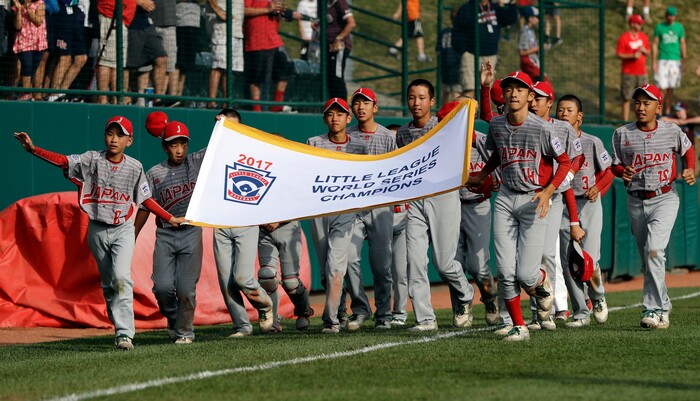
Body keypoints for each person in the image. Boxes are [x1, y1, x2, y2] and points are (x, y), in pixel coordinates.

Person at [14, 116, 186, 350]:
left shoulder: (134, 167)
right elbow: (64, 162)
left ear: (130, 140)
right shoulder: (92, 159)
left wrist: (169, 217)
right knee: (108, 285)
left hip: (123, 228)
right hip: (97, 228)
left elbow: (145, 199)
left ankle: (125, 334)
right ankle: (119, 327)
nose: (114, 139)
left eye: (120, 135)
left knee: (122, 278)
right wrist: (34, 150)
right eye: (110, 133)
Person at [467, 71, 572, 341]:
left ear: (530, 96)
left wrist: (549, 191)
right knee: (505, 270)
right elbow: (496, 155)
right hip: (505, 197)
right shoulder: (497, 125)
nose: (513, 93)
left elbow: (565, 161)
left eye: (520, 89)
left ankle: (541, 284)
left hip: (534, 199)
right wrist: (482, 175)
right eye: (509, 88)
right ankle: (519, 325)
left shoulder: (543, 127)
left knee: (526, 273)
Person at [611, 84, 695, 329]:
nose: (640, 107)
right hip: (636, 199)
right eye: (637, 102)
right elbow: (614, 165)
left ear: (658, 107)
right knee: (647, 257)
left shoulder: (671, 130)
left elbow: (688, 149)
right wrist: (621, 171)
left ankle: (654, 308)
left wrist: (689, 168)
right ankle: (663, 304)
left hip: (665, 197)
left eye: (647, 103)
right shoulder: (621, 134)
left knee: (654, 250)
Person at [395, 79, 475, 332]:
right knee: (414, 261)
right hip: (416, 200)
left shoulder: (444, 126)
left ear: (432, 101)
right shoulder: (403, 133)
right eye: (411, 97)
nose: (416, 103)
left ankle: (465, 292)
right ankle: (425, 319)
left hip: (444, 196)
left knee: (444, 263)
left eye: (421, 98)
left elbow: (468, 130)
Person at [134, 118, 204, 344]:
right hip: (165, 234)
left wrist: (222, 124)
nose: (180, 149)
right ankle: (174, 317)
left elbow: (218, 147)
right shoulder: (154, 173)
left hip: (191, 232)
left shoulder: (195, 162)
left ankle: (185, 332)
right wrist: (132, 235)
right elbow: (146, 205)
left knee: (186, 289)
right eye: (174, 144)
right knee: (162, 288)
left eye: (183, 143)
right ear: (165, 147)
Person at [211, 108, 275, 337]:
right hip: (220, 223)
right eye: (224, 126)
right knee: (226, 281)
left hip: (246, 223)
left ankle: (265, 305)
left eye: (233, 127)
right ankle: (242, 325)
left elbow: (275, 148)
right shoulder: (210, 154)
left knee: (242, 278)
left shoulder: (252, 151)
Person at [526, 80, 584, 330]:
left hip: (554, 196)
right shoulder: (523, 123)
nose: (533, 102)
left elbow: (577, 155)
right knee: (530, 255)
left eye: (538, 98)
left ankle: (551, 309)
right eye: (532, 97)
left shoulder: (563, 128)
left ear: (549, 102)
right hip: (528, 194)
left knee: (547, 253)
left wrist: (568, 175)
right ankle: (538, 311)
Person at [307, 97, 367, 334]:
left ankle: (330, 320)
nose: (335, 118)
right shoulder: (313, 142)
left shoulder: (359, 148)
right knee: (325, 270)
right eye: (331, 114)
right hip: (320, 212)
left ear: (348, 118)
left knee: (336, 267)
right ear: (325, 119)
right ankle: (340, 310)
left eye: (340, 114)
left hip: (346, 212)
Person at [556, 94, 614, 327]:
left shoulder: (592, 142)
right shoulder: (552, 141)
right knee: (569, 260)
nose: (564, 114)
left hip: (588, 203)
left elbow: (610, 170)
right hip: (562, 204)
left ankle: (597, 297)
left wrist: (598, 188)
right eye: (560, 110)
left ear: (579, 116)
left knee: (591, 259)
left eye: (569, 110)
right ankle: (580, 311)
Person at [441, 97, 500, 326]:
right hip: (450, 206)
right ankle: (461, 308)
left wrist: (495, 181)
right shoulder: (445, 142)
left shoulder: (483, 140)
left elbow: (499, 165)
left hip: (477, 204)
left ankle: (490, 298)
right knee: (452, 261)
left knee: (478, 265)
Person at [343, 87, 397, 330]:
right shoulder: (348, 135)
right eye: (357, 103)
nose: (361, 107)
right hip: (354, 207)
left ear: (375, 107)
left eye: (366, 103)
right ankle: (361, 308)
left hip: (380, 206)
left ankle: (384, 314)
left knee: (381, 265)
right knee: (348, 258)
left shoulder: (388, 137)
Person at [257, 218, 314, 332]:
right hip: (264, 230)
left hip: (288, 228)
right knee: (266, 277)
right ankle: (273, 321)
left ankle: (304, 312)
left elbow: (298, 202)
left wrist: (278, 221)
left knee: (290, 283)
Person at [243, 0, 299, 112]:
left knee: (286, 70)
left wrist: (282, 11)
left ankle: (276, 106)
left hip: (274, 39)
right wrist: (267, 9)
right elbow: (243, 10)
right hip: (257, 40)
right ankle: (256, 110)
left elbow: (277, 9)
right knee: (257, 78)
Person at [452, 0, 501, 98]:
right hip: (470, 54)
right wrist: (464, 51)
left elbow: (510, 19)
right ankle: (466, 113)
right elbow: (457, 33)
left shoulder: (495, 7)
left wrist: (510, 5)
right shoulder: (467, 9)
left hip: (490, 54)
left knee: (486, 91)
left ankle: (482, 113)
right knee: (470, 90)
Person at [125, 0, 167, 105]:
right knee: (127, 65)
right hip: (128, 22)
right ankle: (124, 99)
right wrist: (138, 2)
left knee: (161, 57)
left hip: (145, 23)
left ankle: (158, 100)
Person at [96, 0, 137, 104]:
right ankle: (103, 100)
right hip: (111, 14)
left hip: (122, 17)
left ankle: (116, 99)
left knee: (116, 63)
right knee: (106, 61)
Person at [46, 0, 88, 102]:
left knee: (81, 58)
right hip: (62, 11)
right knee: (65, 57)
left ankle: (62, 92)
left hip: (74, 11)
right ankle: (53, 95)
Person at [206, 0, 243, 109]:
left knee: (229, 69)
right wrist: (219, 12)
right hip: (221, 29)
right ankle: (211, 102)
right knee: (217, 67)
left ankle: (227, 104)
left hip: (236, 31)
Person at [652, 6, 686, 116]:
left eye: (673, 15)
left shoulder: (679, 27)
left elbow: (682, 43)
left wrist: (684, 58)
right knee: (661, 87)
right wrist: (654, 61)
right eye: (669, 15)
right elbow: (655, 44)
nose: (671, 18)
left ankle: (667, 111)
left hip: (675, 60)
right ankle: (660, 112)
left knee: (671, 87)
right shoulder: (659, 27)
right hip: (663, 59)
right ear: (666, 16)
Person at [12, 0, 48, 101]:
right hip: (24, 41)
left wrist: (27, 9)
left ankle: (25, 90)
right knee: (27, 64)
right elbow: (17, 26)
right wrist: (19, 10)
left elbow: (37, 21)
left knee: (33, 68)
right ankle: (25, 93)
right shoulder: (19, 6)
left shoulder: (40, 4)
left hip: (37, 42)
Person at [617, 14, 649, 122]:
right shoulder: (624, 38)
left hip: (642, 73)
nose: (640, 26)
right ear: (632, 24)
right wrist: (632, 56)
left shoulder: (643, 37)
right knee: (626, 98)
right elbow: (619, 54)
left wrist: (645, 51)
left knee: (643, 98)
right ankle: (624, 122)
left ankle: (642, 121)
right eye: (638, 24)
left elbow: (648, 52)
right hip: (628, 73)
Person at [325, 0, 355, 100]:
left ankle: (342, 106)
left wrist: (338, 38)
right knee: (330, 77)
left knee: (337, 78)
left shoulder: (340, 3)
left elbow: (351, 23)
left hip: (339, 47)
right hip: (329, 46)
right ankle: (332, 103)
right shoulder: (324, 4)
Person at [151, 0, 179, 105]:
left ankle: (160, 98)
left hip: (169, 22)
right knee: (147, 65)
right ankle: (148, 98)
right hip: (149, 22)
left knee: (168, 64)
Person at [173, 0, 200, 99]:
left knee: (186, 65)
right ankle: (173, 95)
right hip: (180, 22)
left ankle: (179, 96)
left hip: (194, 23)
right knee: (178, 62)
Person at [518, 6, 548, 84]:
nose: (538, 19)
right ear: (530, 18)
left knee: (537, 84)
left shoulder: (531, 30)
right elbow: (522, 52)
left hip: (533, 60)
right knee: (544, 82)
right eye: (536, 17)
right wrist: (539, 47)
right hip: (528, 61)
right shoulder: (525, 32)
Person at [436, 7, 461, 104]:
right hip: (457, 65)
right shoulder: (460, 33)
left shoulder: (443, 32)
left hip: (445, 65)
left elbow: (439, 50)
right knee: (457, 93)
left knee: (446, 92)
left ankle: (442, 113)